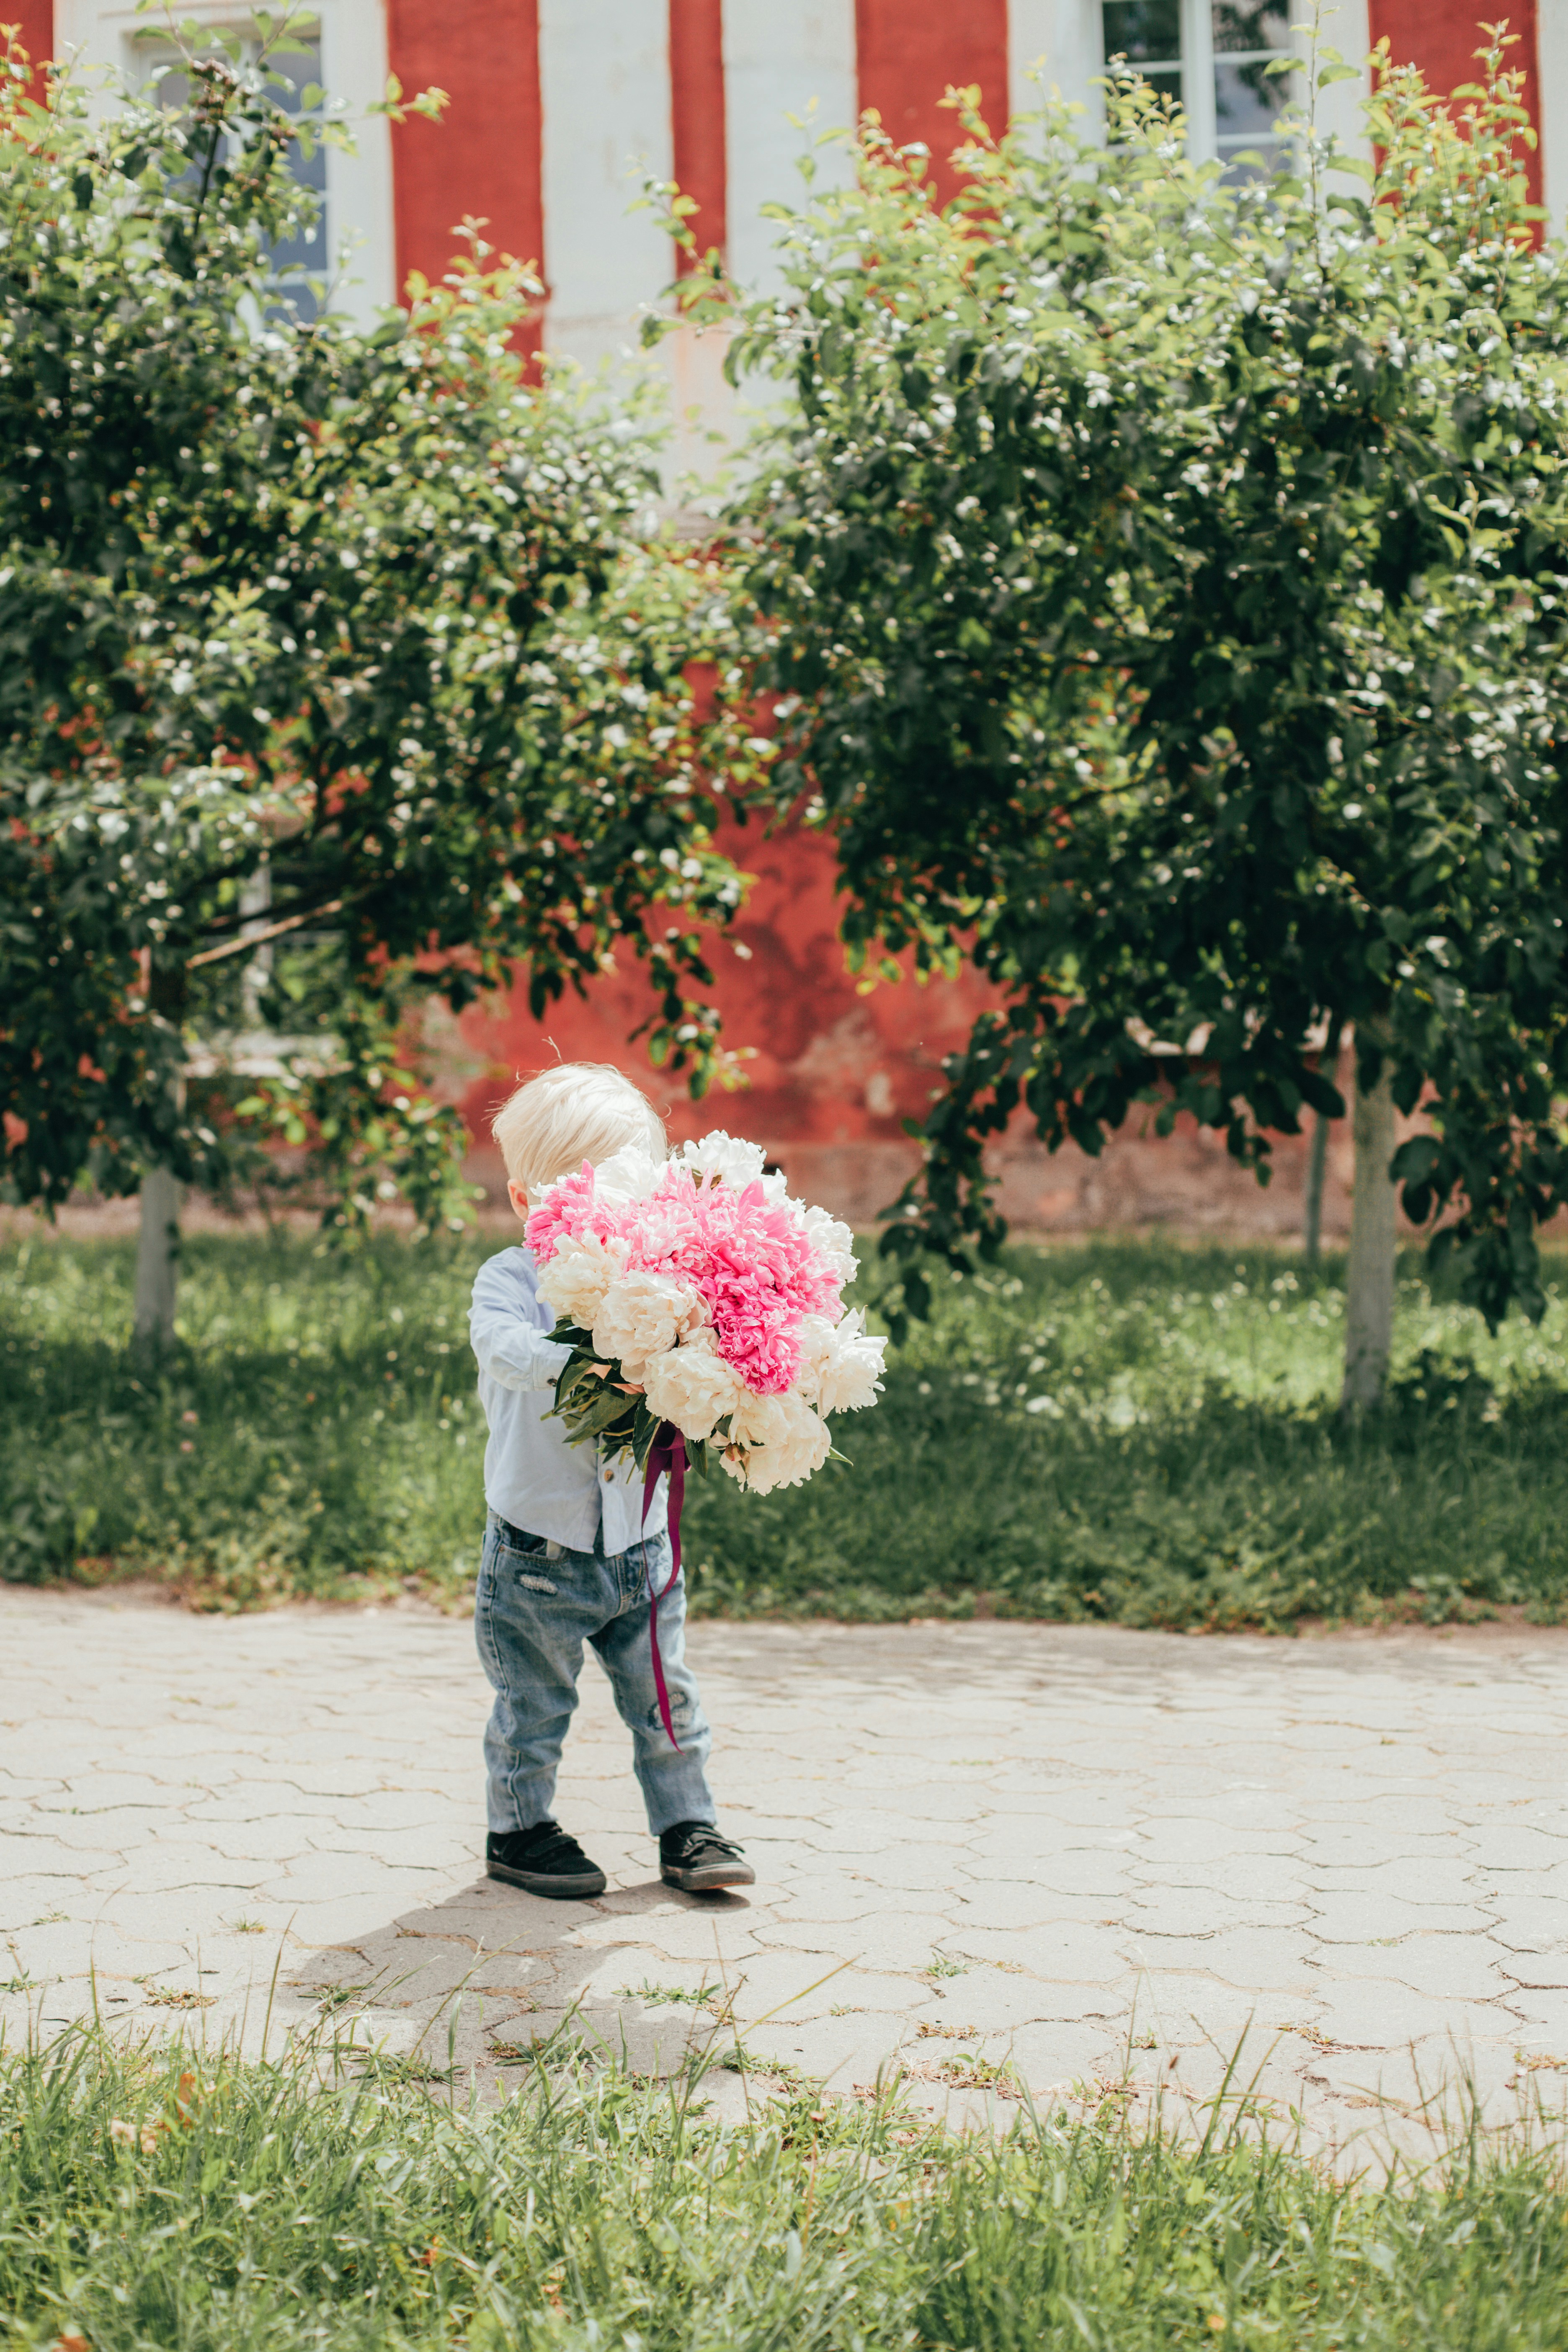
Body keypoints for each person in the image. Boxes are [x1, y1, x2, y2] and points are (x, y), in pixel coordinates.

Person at [467, 1061, 755, 1900]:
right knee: (535, 1709)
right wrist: (592, 1359)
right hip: (538, 1557)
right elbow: (504, 1350)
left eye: (627, 1200)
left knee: (668, 1704)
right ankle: (520, 1831)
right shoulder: (510, 1281)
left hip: (643, 1548)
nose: (609, 1226)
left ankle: (687, 1826)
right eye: (582, 1204)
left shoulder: (664, 1279)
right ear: (527, 1205)